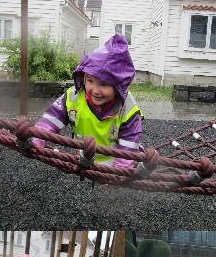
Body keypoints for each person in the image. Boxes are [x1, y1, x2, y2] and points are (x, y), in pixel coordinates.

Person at [34, 34, 143, 168]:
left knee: (138, 163)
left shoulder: (127, 109)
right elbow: (51, 119)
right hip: (85, 155)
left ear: (118, 87)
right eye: (90, 81)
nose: (95, 91)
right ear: (84, 77)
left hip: (113, 161)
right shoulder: (74, 96)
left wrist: (119, 172)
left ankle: (141, 163)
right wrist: (37, 138)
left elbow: (129, 144)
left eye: (104, 84)